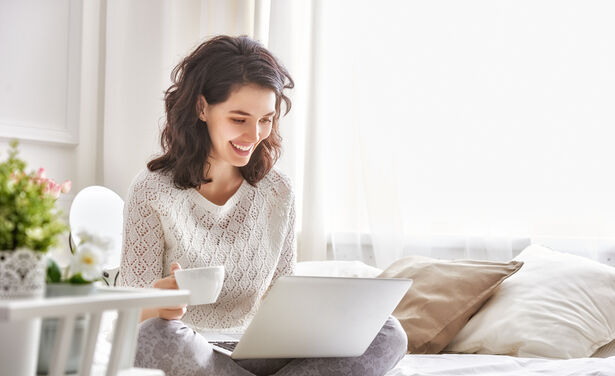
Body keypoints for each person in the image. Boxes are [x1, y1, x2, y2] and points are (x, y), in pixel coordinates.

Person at [118, 35, 407, 376]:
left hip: (259, 351)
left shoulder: (278, 192)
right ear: (201, 108)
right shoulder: (152, 190)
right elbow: (129, 317)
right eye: (239, 119)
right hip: (190, 347)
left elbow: (280, 300)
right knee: (155, 337)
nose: (254, 135)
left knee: (388, 331)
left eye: (266, 119)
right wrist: (160, 305)